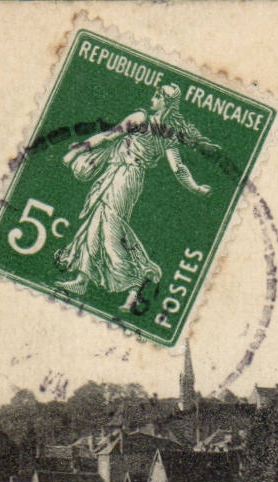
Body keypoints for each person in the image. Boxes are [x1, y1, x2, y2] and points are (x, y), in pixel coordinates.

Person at [54, 82, 213, 311]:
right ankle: (83, 280)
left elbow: (111, 137)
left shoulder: (145, 120)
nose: (153, 99)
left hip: (126, 177)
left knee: (109, 230)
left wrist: (196, 188)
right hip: (118, 173)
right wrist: (195, 187)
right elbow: (176, 167)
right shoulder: (164, 132)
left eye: (158, 96)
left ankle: (136, 282)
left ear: (166, 103)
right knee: (97, 222)